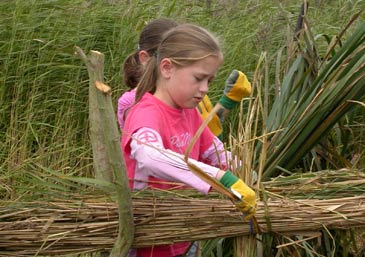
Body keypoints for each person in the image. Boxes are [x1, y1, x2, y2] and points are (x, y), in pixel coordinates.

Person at [121, 23, 256, 257]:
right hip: (148, 244)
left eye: (210, 81)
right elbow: (149, 156)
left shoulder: (190, 112)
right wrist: (221, 178)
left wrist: (248, 175)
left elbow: (215, 152)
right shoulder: (146, 112)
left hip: (184, 236)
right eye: (198, 78)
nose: (204, 89)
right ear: (167, 68)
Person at [117, 18, 252, 139]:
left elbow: (208, 142)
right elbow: (156, 152)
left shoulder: (183, 93)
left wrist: (225, 104)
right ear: (145, 58)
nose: (204, 87)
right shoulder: (134, 104)